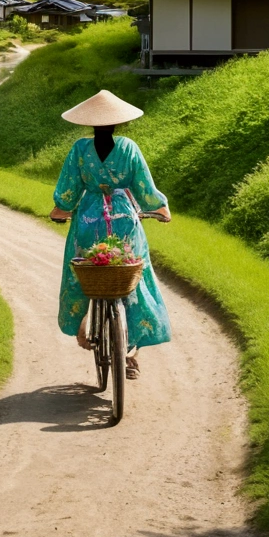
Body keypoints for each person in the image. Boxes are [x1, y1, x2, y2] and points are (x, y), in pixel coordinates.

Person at [49, 89, 171, 379]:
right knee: (134, 277)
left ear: (89, 124)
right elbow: (144, 187)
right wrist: (161, 208)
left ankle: (82, 329)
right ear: (117, 123)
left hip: (89, 219)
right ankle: (130, 351)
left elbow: (68, 189)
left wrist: (60, 209)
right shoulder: (128, 147)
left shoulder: (80, 149)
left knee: (82, 271)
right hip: (124, 219)